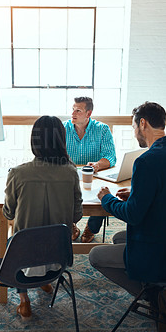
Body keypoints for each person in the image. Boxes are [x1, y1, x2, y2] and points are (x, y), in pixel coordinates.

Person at [89, 101, 166, 332]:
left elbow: (132, 215)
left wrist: (107, 199)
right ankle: (157, 292)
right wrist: (137, 193)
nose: (135, 133)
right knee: (119, 238)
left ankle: (153, 296)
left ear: (143, 123)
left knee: (95, 255)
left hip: (159, 254)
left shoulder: (147, 161)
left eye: (134, 127)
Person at [3, 116, 83, 320]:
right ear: (61, 141)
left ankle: (24, 301)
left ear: (34, 141)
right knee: (49, 233)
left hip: (24, 258)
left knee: (13, 240)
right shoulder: (71, 172)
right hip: (58, 257)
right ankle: (45, 280)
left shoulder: (18, 173)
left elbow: (9, 213)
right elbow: (77, 215)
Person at [63, 97, 116, 243]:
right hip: (68, 175)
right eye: (73, 109)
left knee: (103, 194)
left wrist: (98, 165)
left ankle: (91, 228)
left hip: (95, 176)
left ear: (88, 113)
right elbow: (56, 154)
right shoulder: (63, 128)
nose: (73, 113)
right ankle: (70, 226)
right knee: (59, 193)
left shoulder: (102, 129)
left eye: (78, 110)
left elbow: (110, 157)